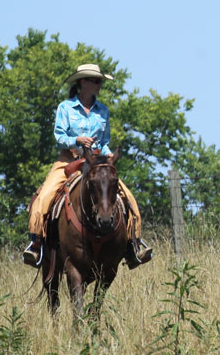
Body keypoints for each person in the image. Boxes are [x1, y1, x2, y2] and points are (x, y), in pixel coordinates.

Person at [22, 64, 153, 268]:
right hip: (69, 160)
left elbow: (105, 139)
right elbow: (59, 137)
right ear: (83, 82)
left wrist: (108, 154)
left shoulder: (103, 111)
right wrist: (77, 140)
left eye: (100, 81)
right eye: (96, 80)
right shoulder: (65, 107)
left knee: (129, 200)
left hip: (97, 163)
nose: (100, 85)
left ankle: (133, 246)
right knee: (44, 197)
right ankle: (36, 244)